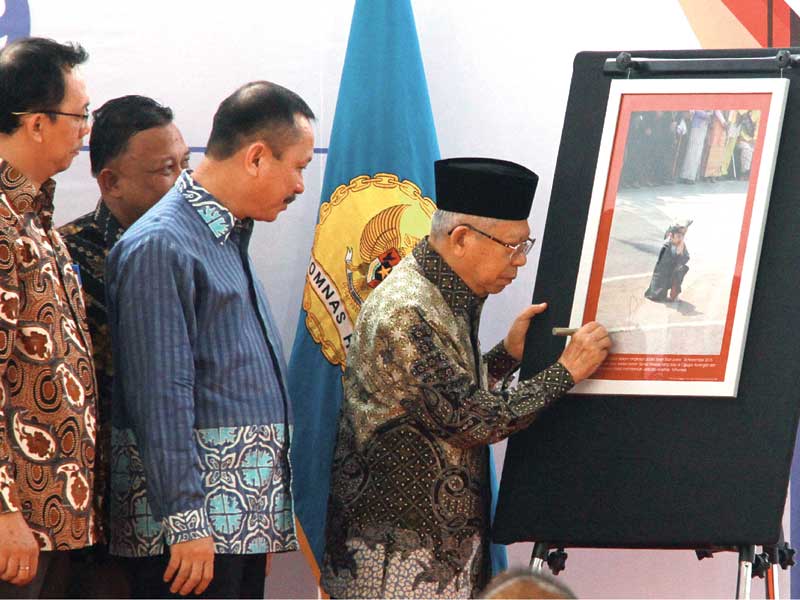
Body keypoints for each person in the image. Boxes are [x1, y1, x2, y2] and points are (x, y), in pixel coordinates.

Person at [321, 157, 611, 599]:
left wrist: (506, 356)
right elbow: (471, 419)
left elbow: (437, 397)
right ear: (460, 238)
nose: (519, 262)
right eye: (511, 246)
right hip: (394, 559)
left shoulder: (443, 294)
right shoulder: (406, 309)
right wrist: (566, 370)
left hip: (439, 554)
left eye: (524, 246)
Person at [105, 81, 315, 598]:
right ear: (257, 157)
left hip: (235, 526)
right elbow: (160, 395)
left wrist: (256, 522)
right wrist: (185, 521)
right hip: (193, 536)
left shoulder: (223, 235)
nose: (301, 186)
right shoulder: (162, 243)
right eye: (299, 166)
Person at [59, 95, 190, 598]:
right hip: (93, 510)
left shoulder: (197, 253)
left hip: (181, 503)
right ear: (110, 181)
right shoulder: (65, 255)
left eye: (185, 166)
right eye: (164, 171)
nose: (183, 185)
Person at [0, 37, 97, 597]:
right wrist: (4, 509)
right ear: (37, 123)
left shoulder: (35, 215)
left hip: (54, 518)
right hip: (15, 525)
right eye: (79, 115)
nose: (85, 128)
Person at [644, 220, 692, 303]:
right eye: (678, 236)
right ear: (671, 236)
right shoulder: (666, 247)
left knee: (681, 269)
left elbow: (686, 258)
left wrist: (680, 252)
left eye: (681, 236)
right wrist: (678, 255)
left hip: (671, 271)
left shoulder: (681, 244)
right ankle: (661, 293)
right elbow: (663, 265)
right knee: (658, 297)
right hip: (661, 276)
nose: (680, 239)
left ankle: (674, 294)